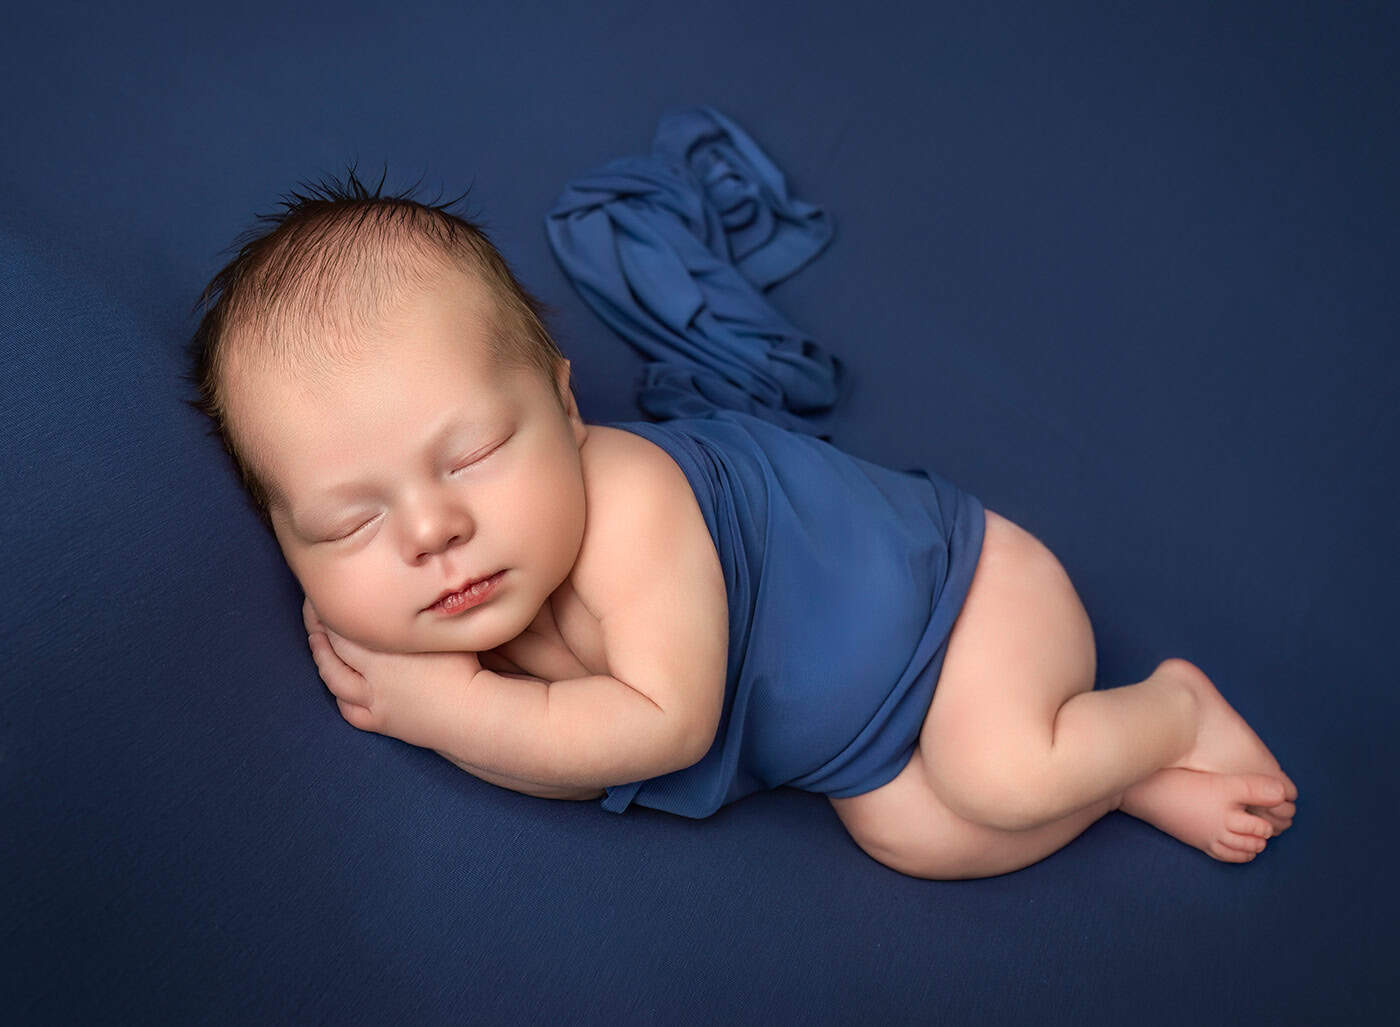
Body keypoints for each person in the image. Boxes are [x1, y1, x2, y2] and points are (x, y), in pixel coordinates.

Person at [186, 168, 1296, 880]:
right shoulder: (462, 605)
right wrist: (450, 702)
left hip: (963, 601)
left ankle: (1170, 707)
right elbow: (568, 762)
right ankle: (1115, 775)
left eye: (471, 454)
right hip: (866, 737)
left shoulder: (630, 506)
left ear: (566, 408)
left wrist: (450, 712)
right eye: (348, 523)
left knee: (998, 772)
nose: (431, 530)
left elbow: (661, 727)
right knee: (912, 836)